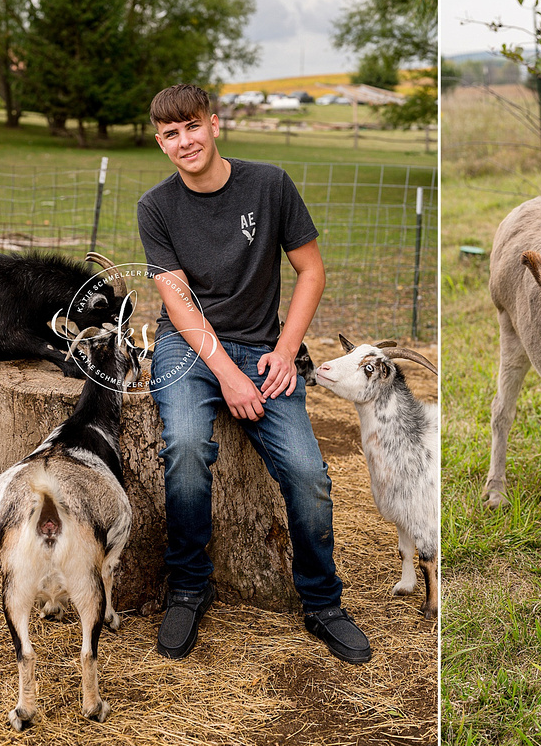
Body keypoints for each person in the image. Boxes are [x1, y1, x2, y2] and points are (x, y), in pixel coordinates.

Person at [137, 83, 370, 661]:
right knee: (188, 446)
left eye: (192, 126)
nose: (184, 141)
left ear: (215, 125)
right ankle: (189, 588)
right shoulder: (155, 207)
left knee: (308, 473)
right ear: (161, 144)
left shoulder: (269, 184)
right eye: (171, 134)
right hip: (188, 349)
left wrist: (287, 351)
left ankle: (322, 602)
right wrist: (228, 377)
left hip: (267, 349)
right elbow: (179, 304)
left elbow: (311, 272)